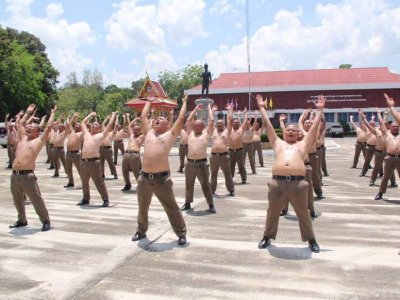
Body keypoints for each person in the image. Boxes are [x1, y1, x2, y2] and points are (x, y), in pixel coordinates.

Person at [256, 94, 324, 253]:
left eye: (294, 130)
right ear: (284, 133)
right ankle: (267, 236)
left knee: (303, 213)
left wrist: (319, 110)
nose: (291, 132)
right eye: (288, 130)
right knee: (272, 211)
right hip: (277, 183)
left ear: (298, 133)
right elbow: (268, 125)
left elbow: (313, 129)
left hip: (298, 184)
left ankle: (311, 240)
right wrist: (261, 108)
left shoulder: (302, 145)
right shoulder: (278, 143)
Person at [131, 95, 188, 246]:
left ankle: (181, 233)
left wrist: (185, 102)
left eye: (161, 119)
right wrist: (149, 102)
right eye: (156, 118)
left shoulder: (169, 135)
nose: (157, 119)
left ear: (167, 124)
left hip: (161, 179)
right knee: (142, 206)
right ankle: (141, 230)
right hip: (144, 179)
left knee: (171, 207)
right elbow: (143, 115)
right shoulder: (148, 133)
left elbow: (181, 118)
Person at [9, 104, 56, 231]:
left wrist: (52, 114)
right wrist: (28, 113)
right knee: (17, 199)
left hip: (27, 176)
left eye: (33, 127)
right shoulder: (23, 138)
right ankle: (22, 220)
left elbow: (49, 127)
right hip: (15, 175)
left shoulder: (39, 141)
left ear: (38, 131)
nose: (29, 127)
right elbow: (21, 123)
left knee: (36, 199)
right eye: (29, 127)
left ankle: (46, 221)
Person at [279, 115, 318, 219]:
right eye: (298, 131)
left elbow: (314, 130)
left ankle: (311, 210)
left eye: (299, 131)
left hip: (304, 168)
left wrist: (316, 116)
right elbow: (284, 130)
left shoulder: (306, 142)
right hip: (290, 168)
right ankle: (284, 208)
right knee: (285, 189)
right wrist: (281, 121)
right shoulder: (288, 143)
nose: (299, 133)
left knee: (308, 191)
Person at [180, 104, 216, 213]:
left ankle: (210, 205)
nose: (197, 127)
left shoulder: (206, 134)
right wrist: (195, 109)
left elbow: (211, 121)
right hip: (190, 164)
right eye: (195, 125)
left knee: (206, 185)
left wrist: (209, 108)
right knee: (189, 184)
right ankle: (187, 203)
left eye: (200, 125)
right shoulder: (189, 133)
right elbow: (188, 120)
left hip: (202, 164)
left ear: (203, 126)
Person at [78, 111, 117, 207]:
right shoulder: (86, 134)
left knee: (99, 182)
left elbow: (110, 125)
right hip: (83, 162)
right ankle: (86, 198)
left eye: (95, 125)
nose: (92, 126)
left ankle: (105, 199)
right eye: (92, 125)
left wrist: (113, 116)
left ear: (99, 128)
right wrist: (90, 115)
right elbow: (83, 123)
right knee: (84, 182)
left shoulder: (100, 135)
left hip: (93, 162)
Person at [361, 109, 397, 187]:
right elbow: (369, 125)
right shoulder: (377, 131)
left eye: (386, 125)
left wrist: (386, 114)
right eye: (383, 125)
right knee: (376, 168)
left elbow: (383, 121)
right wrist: (364, 118)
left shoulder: (389, 133)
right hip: (379, 152)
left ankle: (393, 182)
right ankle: (372, 181)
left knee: (390, 169)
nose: (384, 125)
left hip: (387, 153)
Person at [375, 94, 400, 200]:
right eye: (393, 126)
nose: (395, 127)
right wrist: (381, 114)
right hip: (389, 158)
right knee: (385, 177)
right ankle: (380, 193)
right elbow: (382, 124)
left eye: (397, 126)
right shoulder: (387, 133)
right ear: (391, 127)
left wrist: (392, 108)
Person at [210, 105, 235, 196]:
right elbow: (211, 121)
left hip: (224, 156)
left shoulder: (226, 131)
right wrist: (212, 111)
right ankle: (212, 190)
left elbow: (230, 121)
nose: (219, 124)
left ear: (224, 125)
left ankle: (231, 189)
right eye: (218, 123)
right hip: (213, 156)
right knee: (213, 174)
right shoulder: (213, 131)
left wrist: (230, 110)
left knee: (227, 174)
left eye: (221, 123)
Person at [299, 109, 324, 200]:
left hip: (313, 156)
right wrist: (303, 114)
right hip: (303, 157)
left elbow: (317, 123)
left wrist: (318, 112)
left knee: (315, 175)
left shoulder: (314, 132)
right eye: (306, 123)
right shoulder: (301, 132)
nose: (308, 124)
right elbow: (299, 122)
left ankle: (319, 192)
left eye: (310, 123)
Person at [121, 114, 144, 192]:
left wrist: (142, 120)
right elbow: (129, 126)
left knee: (136, 171)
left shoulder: (141, 136)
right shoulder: (131, 135)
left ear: (140, 130)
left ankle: (141, 185)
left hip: (134, 155)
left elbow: (147, 129)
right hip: (126, 154)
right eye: (134, 129)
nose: (135, 130)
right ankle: (127, 184)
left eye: (137, 129)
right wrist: (134, 119)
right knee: (124, 170)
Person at [229, 108, 248, 184]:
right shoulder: (229, 130)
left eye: (237, 122)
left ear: (238, 124)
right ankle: (231, 179)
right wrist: (230, 110)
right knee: (231, 166)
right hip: (231, 151)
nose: (235, 123)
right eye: (234, 122)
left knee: (241, 166)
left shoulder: (241, 129)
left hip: (239, 151)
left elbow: (245, 120)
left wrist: (245, 113)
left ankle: (244, 179)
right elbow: (229, 119)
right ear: (232, 123)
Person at [64, 113, 83, 188]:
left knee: (79, 169)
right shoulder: (71, 132)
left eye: (78, 125)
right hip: (68, 153)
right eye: (76, 125)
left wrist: (75, 118)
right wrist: (72, 118)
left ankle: (84, 182)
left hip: (76, 154)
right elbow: (68, 125)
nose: (76, 126)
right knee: (68, 169)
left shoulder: (81, 133)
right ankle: (70, 182)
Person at [100, 115, 118, 179]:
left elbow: (116, 126)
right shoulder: (102, 134)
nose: (104, 128)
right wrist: (106, 118)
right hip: (100, 149)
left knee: (110, 162)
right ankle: (102, 174)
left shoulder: (111, 133)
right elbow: (102, 124)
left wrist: (117, 117)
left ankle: (115, 174)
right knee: (101, 163)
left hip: (108, 149)